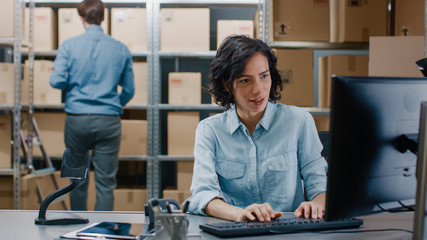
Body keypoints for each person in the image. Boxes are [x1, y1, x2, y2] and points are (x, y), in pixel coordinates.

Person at [185, 35, 328, 222]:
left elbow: (319, 183)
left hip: (289, 232)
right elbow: (203, 195)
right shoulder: (210, 130)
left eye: (263, 76)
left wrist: (316, 205)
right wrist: (239, 214)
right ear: (226, 85)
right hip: (236, 231)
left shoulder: (299, 121)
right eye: (246, 80)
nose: (258, 89)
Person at [49, 0, 135, 211]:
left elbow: (56, 81)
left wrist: (74, 85)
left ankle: (77, 228)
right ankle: (102, 230)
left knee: (76, 180)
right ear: (103, 18)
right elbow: (129, 90)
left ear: (82, 18)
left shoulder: (69, 46)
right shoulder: (121, 49)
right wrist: (114, 104)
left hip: (77, 119)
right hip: (108, 121)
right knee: (106, 183)